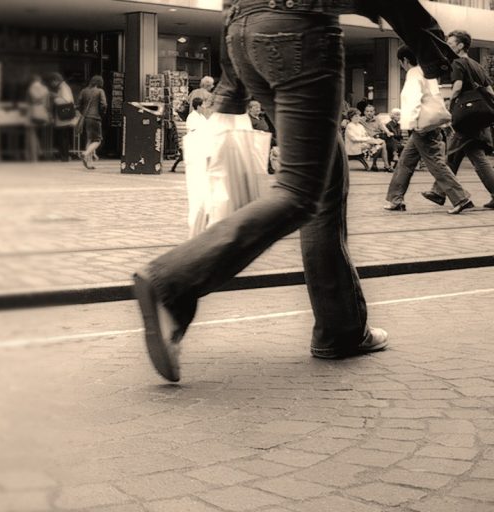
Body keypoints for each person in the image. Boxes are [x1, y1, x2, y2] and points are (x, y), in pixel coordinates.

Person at [132, 0, 459, 383]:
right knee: (299, 192)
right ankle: (171, 281)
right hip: (300, 29)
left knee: (324, 178)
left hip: (244, 32)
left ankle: (341, 329)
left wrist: (233, 86)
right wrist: (439, 58)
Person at [384, 45, 473, 214]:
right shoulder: (428, 73)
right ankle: (395, 199)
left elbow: (412, 101)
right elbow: (436, 100)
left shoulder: (413, 74)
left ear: (404, 60)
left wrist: (409, 125)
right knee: (406, 161)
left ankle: (461, 198)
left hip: (420, 126)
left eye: (401, 62)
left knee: (435, 163)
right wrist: (443, 123)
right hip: (431, 124)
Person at [422, 30, 494, 209]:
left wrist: (448, 105)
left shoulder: (457, 63)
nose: (449, 45)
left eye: (451, 42)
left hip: (464, 119)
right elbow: (491, 92)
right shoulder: (477, 65)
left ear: (461, 45)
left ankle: (440, 192)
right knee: (474, 157)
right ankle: (438, 192)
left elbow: (457, 87)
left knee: (455, 155)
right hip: (478, 119)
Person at [77, 75, 108, 170]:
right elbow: (104, 104)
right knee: (98, 140)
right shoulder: (100, 91)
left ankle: (89, 162)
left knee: (89, 139)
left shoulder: (84, 91)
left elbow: (78, 105)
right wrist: (102, 113)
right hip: (95, 117)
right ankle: (85, 153)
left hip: (85, 118)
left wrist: (83, 113)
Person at [49, 73, 78, 162]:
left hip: (63, 118)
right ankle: (64, 156)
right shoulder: (62, 87)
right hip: (63, 118)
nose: (52, 84)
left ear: (56, 80)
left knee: (63, 137)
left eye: (52, 81)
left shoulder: (63, 87)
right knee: (63, 137)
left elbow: (67, 101)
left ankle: (64, 156)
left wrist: (55, 98)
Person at [361, 104, 393, 171]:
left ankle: (375, 164)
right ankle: (386, 165)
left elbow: (383, 127)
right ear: (364, 112)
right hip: (367, 139)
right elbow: (351, 119)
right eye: (367, 111)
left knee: (382, 144)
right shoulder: (361, 120)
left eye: (371, 111)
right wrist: (345, 121)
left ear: (374, 112)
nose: (369, 113)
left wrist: (388, 132)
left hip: (376, 138)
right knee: (382, 143)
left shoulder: (377, 119)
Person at [26, 75, 50, 162]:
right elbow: (47, 104)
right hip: (42, 113)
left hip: (33, 113)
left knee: (31, 134)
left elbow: (29, 102)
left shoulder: (31, 88)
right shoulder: (45, 89)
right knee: (37, 134)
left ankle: (34, 157)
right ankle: (39, 150)